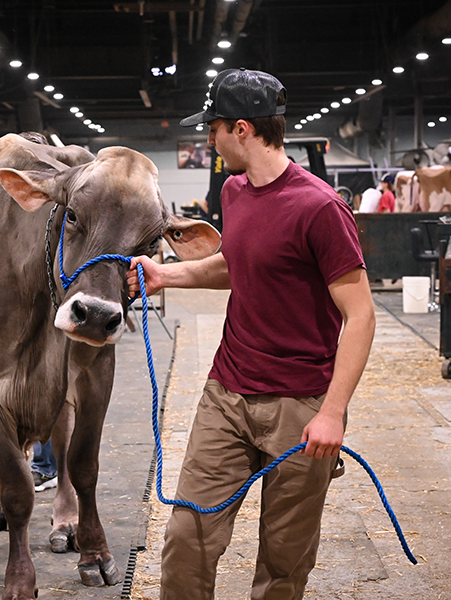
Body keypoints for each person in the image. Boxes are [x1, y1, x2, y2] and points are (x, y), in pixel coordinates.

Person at [127, 67, 376, 600]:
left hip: (300, 405)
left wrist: (332, 413)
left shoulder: (320, 208)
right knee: (187, 538)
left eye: (213, 128)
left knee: (284, 560)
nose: (208, 140)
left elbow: (361, 315)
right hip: (228, 393)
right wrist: (165, 274)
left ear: (241, 129)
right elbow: (237, 264)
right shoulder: (235, 191)